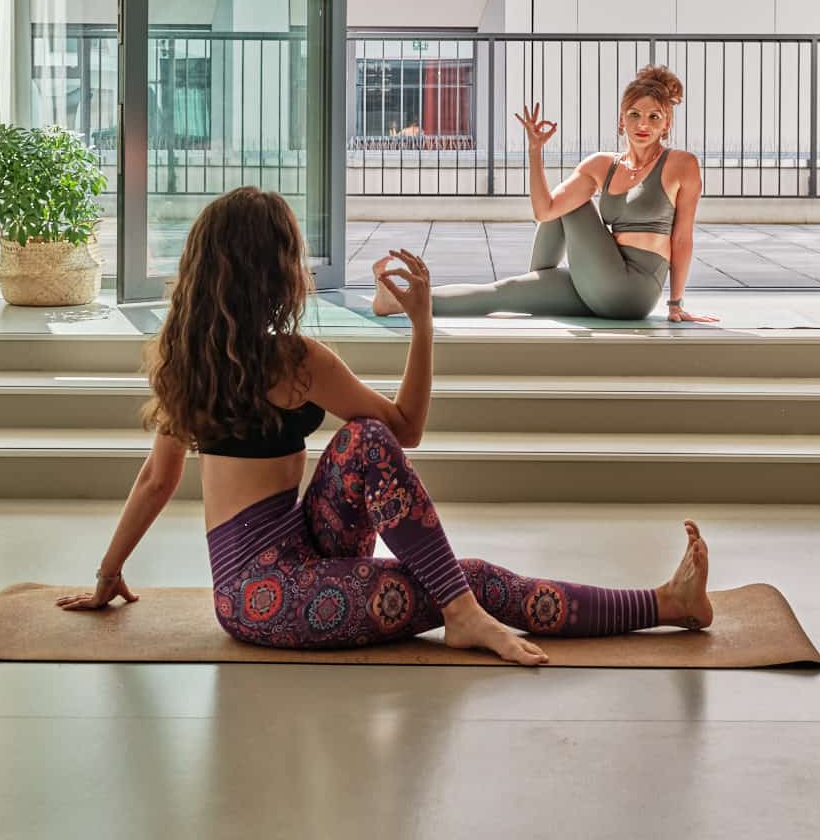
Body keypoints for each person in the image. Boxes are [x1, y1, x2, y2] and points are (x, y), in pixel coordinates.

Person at [56, 187, 713, 666]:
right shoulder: (296, 360)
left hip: (286, 566)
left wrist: (108, 572)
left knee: (362, 440)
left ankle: (468, 610)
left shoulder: (186, 354)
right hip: (268, 601)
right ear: (277, 271)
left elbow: (155, 481)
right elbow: (411, 428)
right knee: (471, 581)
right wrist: (423, 325)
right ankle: (657, 605)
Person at [373, 64, 717, 323]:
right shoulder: (602, 164)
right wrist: (534, 150)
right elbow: (544, 211)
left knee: (574, 204)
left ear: (666, 123)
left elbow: (682, 238)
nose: (644, 124)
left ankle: (538, 277)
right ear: (621, 120)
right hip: (600, 278)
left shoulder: (681, 165)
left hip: (634, 289)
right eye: (635, 114)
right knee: (503, 293)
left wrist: (675, 304)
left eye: (654, 117)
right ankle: (396, 300)